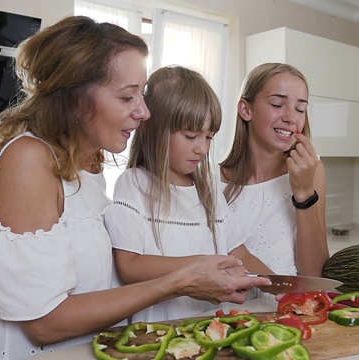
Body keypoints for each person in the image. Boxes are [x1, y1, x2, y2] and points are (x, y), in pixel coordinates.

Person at [0, 17, 271, 360]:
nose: (144, 112)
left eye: (142, 93)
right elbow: (43, 323)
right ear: (77, 98)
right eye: (126, 97)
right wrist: (179, 282)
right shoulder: (28, 159)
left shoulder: (88, 165)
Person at [104, 66, 273, 322]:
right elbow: (129, 265)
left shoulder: (210, 191)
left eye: (209, 137)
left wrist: (282, 285)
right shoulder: (134, 184)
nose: (202, 148)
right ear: (151, 129)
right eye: (191, 136)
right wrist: (201, 267)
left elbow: (239, 254)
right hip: (157, 332)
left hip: (211, 326)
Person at [219, 63, 329, 278]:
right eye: (278, 104)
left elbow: (314, 274)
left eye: (300, 109)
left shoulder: (312, 170)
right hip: (229, 311)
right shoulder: (210, 180)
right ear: (246, 109)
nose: (291, 117)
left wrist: (304, 193)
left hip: (286, 308)